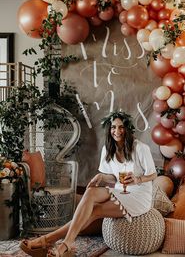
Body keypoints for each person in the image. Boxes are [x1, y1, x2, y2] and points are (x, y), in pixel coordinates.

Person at [20, 110, 157, 257]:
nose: (117, 131)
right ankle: (61, 243)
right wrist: (101, 176)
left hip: (139, 196)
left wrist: (138, 179)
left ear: (127, 129)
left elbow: (153, 174)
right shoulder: (107, 149)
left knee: (95, 211)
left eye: (121, 127)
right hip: (119, 191)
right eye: (113, 127)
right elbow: (114, 178)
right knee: (91, 192)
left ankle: (50, 240)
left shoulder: (141, 148)